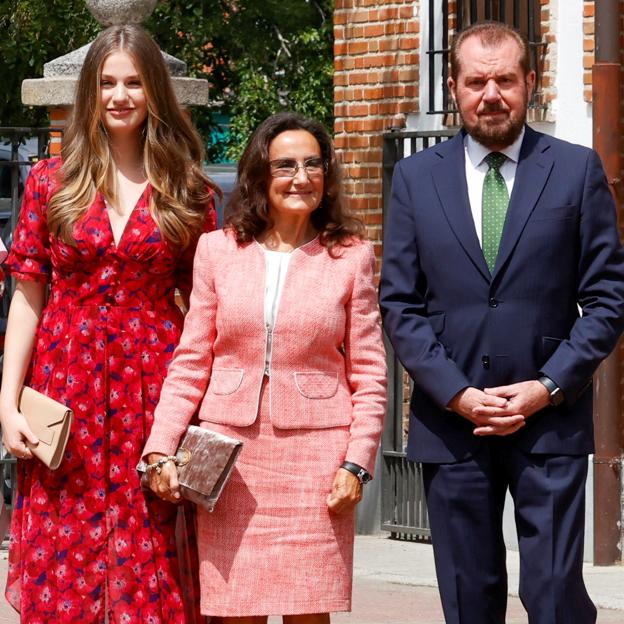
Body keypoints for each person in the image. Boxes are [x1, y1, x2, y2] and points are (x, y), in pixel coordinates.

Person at [379, 20, 624, 624]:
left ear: (530, 84)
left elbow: (608, 298)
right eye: (477, 81)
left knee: (555, 597)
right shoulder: (415, 178)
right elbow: (400, 304)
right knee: (469, 600)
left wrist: (547, 387)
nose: (491, 94)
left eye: (506, 80)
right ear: (454, 87)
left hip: (550, 423)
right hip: (451, 424)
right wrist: (456, 393)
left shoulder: (574, 170)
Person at [0, 24, 217, 622]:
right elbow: (27, 296)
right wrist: (7, 402)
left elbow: (210, 308)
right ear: (91, 93)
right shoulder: (51, 181)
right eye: (107, 83)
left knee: (152, 554)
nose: (120, 96)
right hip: (65, 388)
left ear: (155, 94)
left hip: (153, 391)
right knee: (65, 556)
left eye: (134, 82)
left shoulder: (189, 190)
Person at [141, 111, 387, 623]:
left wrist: (356, 464)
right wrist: (160, 447)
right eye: (286, 165)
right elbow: (191, 361)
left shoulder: (352, 256)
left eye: (313, 164)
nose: (302, 177)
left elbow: (370, 374)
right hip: (232, 464)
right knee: (236, 613)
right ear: (260, 175)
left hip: (317, 464)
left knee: (307, 612)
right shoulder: (218, 250)